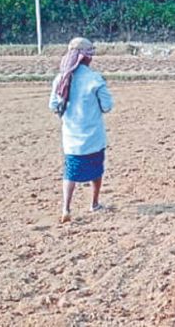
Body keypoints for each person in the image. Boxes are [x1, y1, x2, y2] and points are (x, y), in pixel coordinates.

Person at [49, 37, 114, 223]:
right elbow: (107, 106)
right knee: (96, 170)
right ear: (87, 58)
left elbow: (53, 105)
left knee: (70, 173)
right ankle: (94, 203)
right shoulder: (94, 79)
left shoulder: (61, 79)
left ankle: (66, 208)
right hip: (93, 136)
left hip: (71, 138)